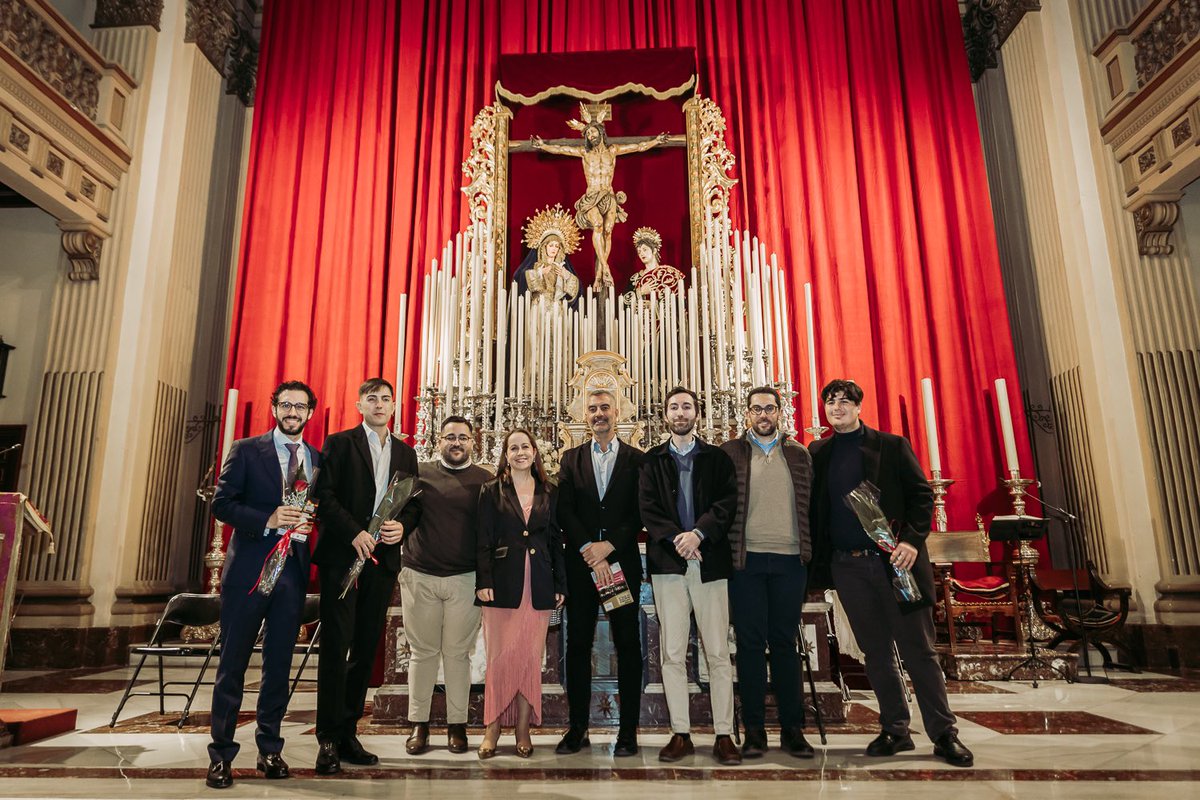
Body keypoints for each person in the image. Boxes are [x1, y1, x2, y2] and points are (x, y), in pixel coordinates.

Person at [808, 379, 974, 768]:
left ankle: (944, 732)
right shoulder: (819, 452)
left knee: (918, 650)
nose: (838, 408)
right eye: (831, 402)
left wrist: (912, 542)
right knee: (875, 652)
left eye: (845, 402)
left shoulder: (890, 445)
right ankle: (895, 728)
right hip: (847, 565)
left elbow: (921, 496)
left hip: (895, 563)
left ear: (858, 406)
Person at [207, 381, 320, 790]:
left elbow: (313, 510)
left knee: (278, 667)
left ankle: (270, 748)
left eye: (300, 406)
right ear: (275, 408)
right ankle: (221, 754)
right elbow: (221, 503)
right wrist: (269, 518)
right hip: (250, 572)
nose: (293, 412)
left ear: (310, 413)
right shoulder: (245, 450)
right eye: (286, 404)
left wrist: (307, 525)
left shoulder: (315, 458)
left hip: (291, 574)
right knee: (233, 663)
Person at [312, 378, 421, 775]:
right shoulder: (340, 443)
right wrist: (354, 532)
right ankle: (326, 736)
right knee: (336, 645)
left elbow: (413, 504)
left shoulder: (407, 454)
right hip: (343, 556)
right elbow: (324, 496)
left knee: (364, 647)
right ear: (359, 405)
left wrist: (402, 528)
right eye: (372, 398)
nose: (379, 404)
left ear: (394, 406)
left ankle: (348, 731)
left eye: (386, 398)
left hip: (381, 560)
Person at [638, 387, 742, 766]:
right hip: (669, 564)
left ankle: (724, 734)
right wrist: (677, 539)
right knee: (672, 652)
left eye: (686, 406)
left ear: (696, 412)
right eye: (673, 407)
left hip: (710, 561)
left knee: (716, 651)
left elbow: (726, 503)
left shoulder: (717, 458)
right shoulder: (652, 460)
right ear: (665, 414)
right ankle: (680, 732)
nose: (680, 412)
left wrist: (698, 533)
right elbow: (647, 509)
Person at [720, 386, 815, 759]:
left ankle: (793, 730)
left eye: (770, 409)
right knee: (749, 646)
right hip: (747, 561)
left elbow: (813, 507)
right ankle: (755, 730)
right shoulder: (730, 453)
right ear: (747, 414)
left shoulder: (799, 454)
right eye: (756, 409)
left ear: (780, 413)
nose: (764, 415)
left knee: (785, 645)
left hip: (791, 559)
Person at [556, 389, 644, 757]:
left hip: (621, 564)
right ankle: (578, 728)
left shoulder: (638, 460)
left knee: (628, 645)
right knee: (577, 645)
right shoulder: (570, 458)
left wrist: (610, 547)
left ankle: (627, 732)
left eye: (604, 407)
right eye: (592, 409)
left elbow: (642, 510)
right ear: (584, 415)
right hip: (582, 568)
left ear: (617, 411)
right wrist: (589, 549)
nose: (598, 414)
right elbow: (565, 511)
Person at [401, 416, 491, 755]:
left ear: (473, 443)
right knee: (422, 654)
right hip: (420, 574)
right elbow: (397, 513)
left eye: (463, 437)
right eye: (450, 437)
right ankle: (418, 725)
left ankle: (457, 726)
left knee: (457, 655)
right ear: (438, 441)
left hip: (465, 579)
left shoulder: (486, 479)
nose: (457, 443)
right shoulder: (418, 474)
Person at [475, 429, 567, 759]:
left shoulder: (549, 491)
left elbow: (556, 541)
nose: (520, 452)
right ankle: (493, 728)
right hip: (501, 585)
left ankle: (523, 728)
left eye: (525, 446)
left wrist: (560, 585)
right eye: (513, 448)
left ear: (534, 452)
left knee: (529, 660)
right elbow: (482, 539)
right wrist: (483, 581)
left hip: (538, 583)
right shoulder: (491, 490)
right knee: (499, 659)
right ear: (506, 454)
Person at [531, 102, 669, 291]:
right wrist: (543, 146)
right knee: (597, 224)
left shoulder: (612, 151)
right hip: (591, 196)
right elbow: (562, 149)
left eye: (593, 132)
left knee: (607, 230)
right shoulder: (584, 153)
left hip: (608, 196)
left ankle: (599, 275)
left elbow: (638, 146)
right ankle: (606, 268)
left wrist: (656, 141)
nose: (591, 135)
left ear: (601, 132)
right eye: (588, 134)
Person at [515, 204, 582, 306]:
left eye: (556, 246)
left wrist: (567, 276)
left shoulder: (561, 268)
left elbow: (576, 290)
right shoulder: (537, 266)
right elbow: (520, 279)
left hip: (557, 310)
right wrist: (539, 273)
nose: (554, 249)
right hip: (538, 308)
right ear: (544, 247)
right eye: (551, 245)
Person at [629, 227, 685, 298]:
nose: (641, 254)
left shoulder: (669, 273)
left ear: (654, 250)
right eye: (639, 251)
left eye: (645, 249)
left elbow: (679, 299)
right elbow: (624, 302)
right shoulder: (635, 279)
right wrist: (641, 291)